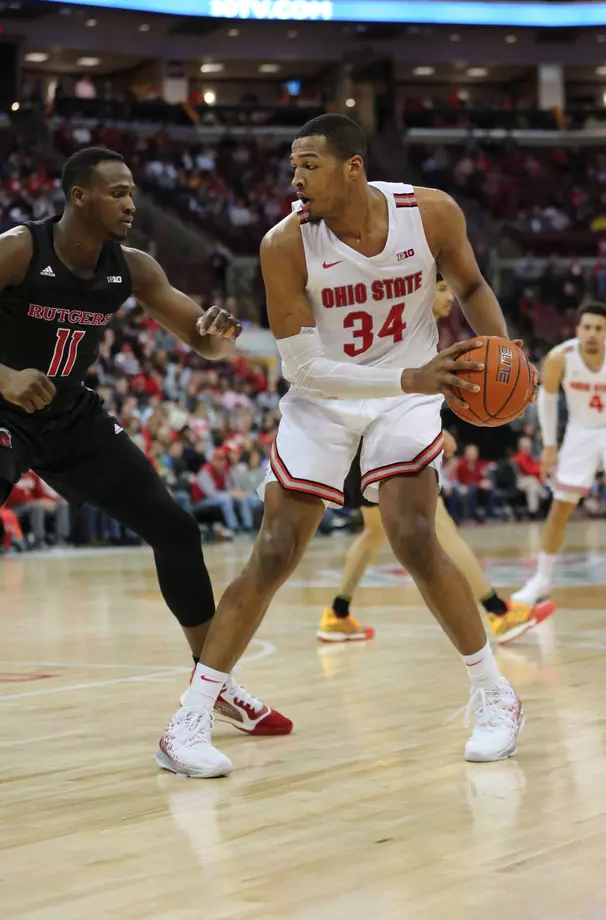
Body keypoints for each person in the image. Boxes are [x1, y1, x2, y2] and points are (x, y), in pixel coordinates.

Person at [159, 113, 537, 778]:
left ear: (353, 168)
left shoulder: (432, 213)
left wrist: (499, 354)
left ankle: (495, 695)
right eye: (292, 165)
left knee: (415, 534)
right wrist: (408, 375)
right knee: (275, 551)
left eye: (309, 163)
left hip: (407, 395)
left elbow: (472, 287)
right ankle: (188, 717)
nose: (295, 176)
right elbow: (301, 368)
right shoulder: (283, 245)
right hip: (326, 399)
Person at [0, 146, 290, 738]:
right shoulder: (20, 249)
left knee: (176, 529)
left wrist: (218, 337)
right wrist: (4, 377)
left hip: (71, 416)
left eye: (133, 192)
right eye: (118, 193)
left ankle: (214, 684)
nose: (131, 204)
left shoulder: (132, 267)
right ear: (79, 196)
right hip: (3, 404)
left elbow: (202, 340)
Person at [317, 279, 553, 645]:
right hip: (374, 437)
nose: (449, 297)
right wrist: (429, 432)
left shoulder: (417, 330)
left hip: (368, 438)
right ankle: (498, 613)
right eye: (442, 288)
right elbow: (381, 381)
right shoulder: (397, 329)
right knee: (440, 526)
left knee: (375, 532)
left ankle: (337, 613)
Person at [511, 302, 606, 611]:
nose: (591, 333)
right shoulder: (559, 358)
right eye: (586, 327)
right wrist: (549, 446)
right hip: (581, 430)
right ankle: (541, 580)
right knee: (561, 506)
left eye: (598, 328)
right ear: (577, 329)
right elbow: (548, 400)